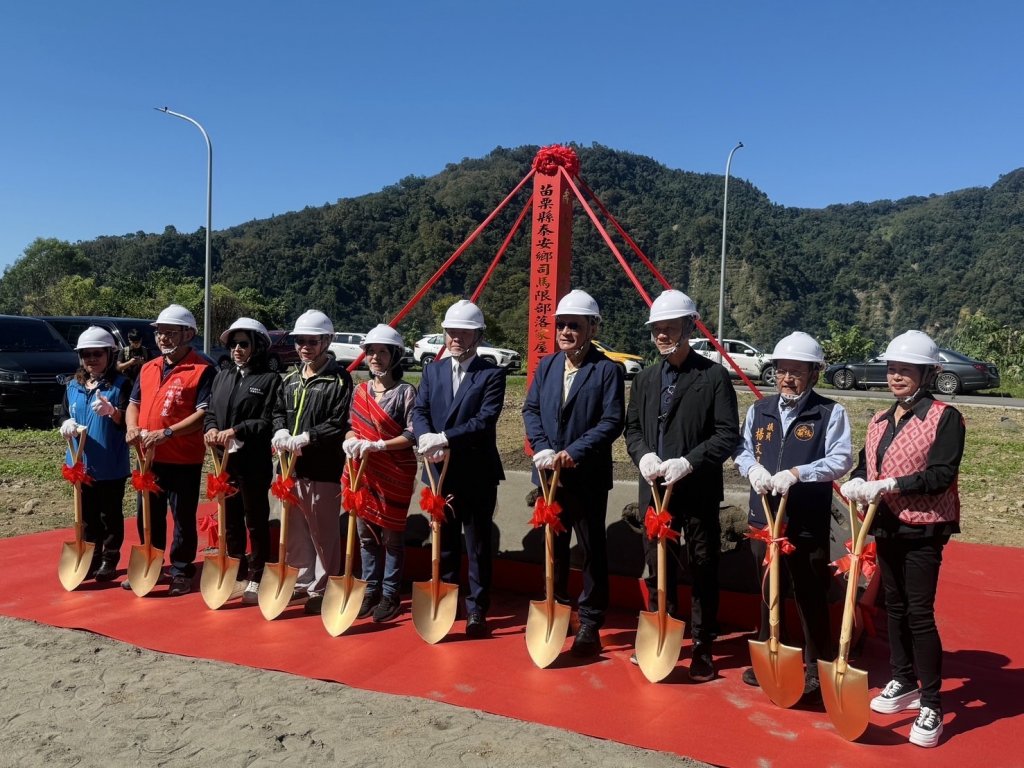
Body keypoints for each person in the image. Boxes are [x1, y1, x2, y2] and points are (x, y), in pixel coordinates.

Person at [840, 330, 964, 749]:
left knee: (918, 612)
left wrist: (890, 483)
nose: (896, 376)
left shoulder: (945, 417)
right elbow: (864, 465)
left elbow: (941, 476)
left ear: (927, 374)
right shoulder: (879, 419)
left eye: (906, 370)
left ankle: (932, 701)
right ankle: (903, 679)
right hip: (886, 524)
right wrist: (858, 483)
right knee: (893, 606)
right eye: (893, 369)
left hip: (924, 527)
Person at [623, 289, 739, 681]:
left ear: (690, 327)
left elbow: (727, 435)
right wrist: (643, 457)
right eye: (656, 329)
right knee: (658, 566)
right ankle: (662, 629)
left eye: (669, 328)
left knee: (703, 566)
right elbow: (633, 429)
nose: (661, 336)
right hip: (654, 490)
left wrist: (689, 462)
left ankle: (703, 644)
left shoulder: (713, 376)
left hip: (698, 489)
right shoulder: (645, 379)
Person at [733, 331, 853, 699]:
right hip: (763, 518)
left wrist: (799, 474)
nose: (787, 378)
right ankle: (770, 652)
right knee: (768, 590)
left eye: (797, 371)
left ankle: (818, 665)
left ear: (814, 373)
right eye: (782, 370)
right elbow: (743, 449)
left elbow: (841, 459)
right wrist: (752, 470)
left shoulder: (830, 412)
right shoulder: (759, 409)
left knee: (809, 592)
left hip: (805, 520)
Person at [522, 289, 624, 655]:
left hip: (587, 476)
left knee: (592, 548)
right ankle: (557, 607)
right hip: (549, 474)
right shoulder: (547, 366)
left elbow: (612, 420)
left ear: (592, 327)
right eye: (561, 325)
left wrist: (573, 452)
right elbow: (531, 410)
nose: (565, 331)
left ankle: (592, 621)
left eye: (574, 325)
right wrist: (543, 448)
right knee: (555, 545)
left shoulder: (607, 370)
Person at [412, 299, 506, 638]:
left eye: (464, 333)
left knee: (478, 542)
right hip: (439, 471)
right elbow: (420, 409)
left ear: (477, 335)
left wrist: (444, 437)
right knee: (445, 540)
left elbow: (484, 421)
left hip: (476, 471)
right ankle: (447, 600)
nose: (456, 338)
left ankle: (478, 608)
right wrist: (424, 437)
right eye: (451, 332)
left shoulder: (491, 374)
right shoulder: (432, 370)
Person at [124, 304, 215, 596]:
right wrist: (131, 427)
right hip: (148, 458)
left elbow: (203, 414)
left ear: (188, 334)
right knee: (147, 514)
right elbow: (134, 404)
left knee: (182, 516)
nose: (163, 338)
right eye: (160, 332)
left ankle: (181, 569)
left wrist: (167, 433)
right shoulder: (149, 367)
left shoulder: (202, 369)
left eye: (170, 332)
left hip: (182, 458)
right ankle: (152, 563)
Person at [271, 310, 353, 616]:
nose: (305, 347)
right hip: (289, 469)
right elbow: (278, 410)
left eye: (312, 341)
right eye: (300, 341)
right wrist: (280, 429)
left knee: (323, 532)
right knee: (294, 530)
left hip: (322, 467)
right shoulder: (290, 377)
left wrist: (308, 437)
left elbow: (339, 422)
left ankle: (323, 586)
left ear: (326, 341)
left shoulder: (339, 380)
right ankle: (302, 580)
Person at [203, 318, 284, 605]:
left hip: (252, 462)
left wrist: (238, 430)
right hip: (224, 462)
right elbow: (212, 411)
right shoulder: (222, 376)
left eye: (243, 344)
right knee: (230, 519)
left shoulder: (269, 380)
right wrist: (211, 428)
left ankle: (258, 573)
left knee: (255, 519)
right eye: (233, 343)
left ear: (257, 346)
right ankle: (235, 569)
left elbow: (267, 421)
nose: (237, 349)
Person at [341, 324, 418, 623]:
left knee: (392, 538)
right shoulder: (360, 390)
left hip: (394, 473)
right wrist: (351, 441)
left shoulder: (405, 392)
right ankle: (369, 590)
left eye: (382, 352)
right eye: (371, 352)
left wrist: (381, 445)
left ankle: (390, 594)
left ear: (395, 355)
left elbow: (413, 433)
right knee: (365, 537)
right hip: (363, 472)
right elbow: (350, 424)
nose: (375, 357)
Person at [58, 326, 132, 581]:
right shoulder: (72, 385)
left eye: (97, 354)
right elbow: (64, 413)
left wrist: (113, 412)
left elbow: (129, 422)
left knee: (108, 515)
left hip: (110, 463)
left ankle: (109, 559)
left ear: (110, 355)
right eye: (86, 354)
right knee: (86, 515)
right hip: (80, 463)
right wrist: (66, 423)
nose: (92, 359)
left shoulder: (121, 385)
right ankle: (89, 556)